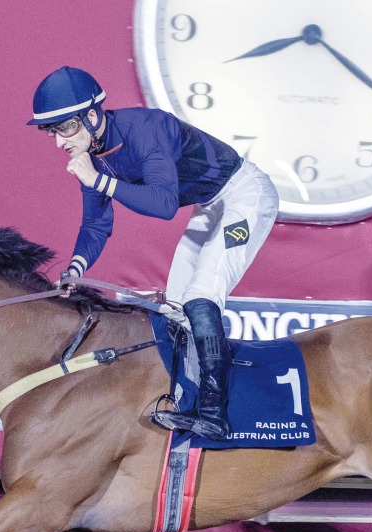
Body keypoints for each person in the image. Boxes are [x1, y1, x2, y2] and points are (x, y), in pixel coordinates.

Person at [28, 65, 279, 441]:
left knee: (200, 296)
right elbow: (96, 225)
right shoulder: (93, 154)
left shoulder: (147, 128)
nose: (59, 142)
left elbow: (163, 205)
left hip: (245, 195)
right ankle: (189, 401)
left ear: (93, 115)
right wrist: (75, 267)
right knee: (176, 307)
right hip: (210, 205)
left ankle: (216, 414)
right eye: (53, 130)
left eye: (66, 128)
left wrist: (98, 180)